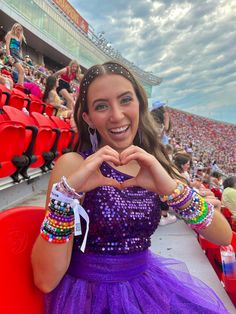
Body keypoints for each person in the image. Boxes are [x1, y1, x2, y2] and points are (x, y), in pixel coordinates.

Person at [32, 61, 232, 314]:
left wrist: (172, 190)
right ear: (88, 118)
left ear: (140, 104)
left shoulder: (151, 164)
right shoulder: (74, 165)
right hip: (90, 299)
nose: (116, 115)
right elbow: (45, 280)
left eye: (126, 100)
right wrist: (67, 196)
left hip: (150, 288)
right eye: (101, 106)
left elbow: (223, 236)